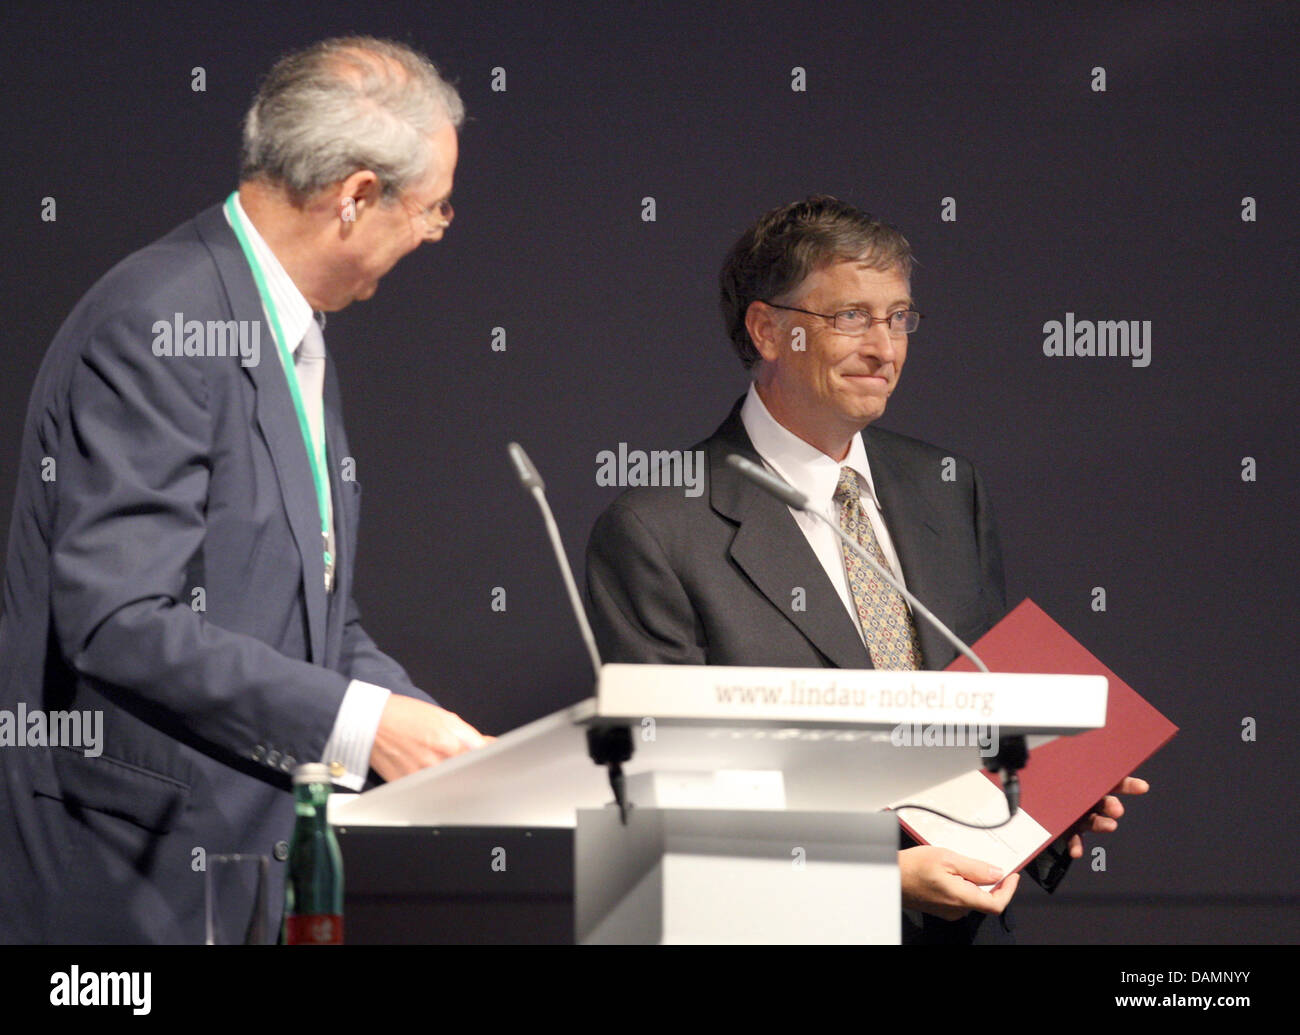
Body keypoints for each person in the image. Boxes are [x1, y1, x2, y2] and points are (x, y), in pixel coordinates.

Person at [0, 37, 490, 944]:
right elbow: (116, 617)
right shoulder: (165, 317)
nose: (434, 231)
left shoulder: (286, 329)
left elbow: (313, 622)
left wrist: (436, 738)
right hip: (129, 890)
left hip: (244, 871)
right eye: (435, 207)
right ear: (356, 195)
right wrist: (362, 723)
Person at [586, 195, 1146, 943]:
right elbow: (667, 807)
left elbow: (977, 711)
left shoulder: (948, 487)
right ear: (767, 329)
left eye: (900, 317)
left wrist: (1048, 798)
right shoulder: (659, 527)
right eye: (851, 317)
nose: (886, 349)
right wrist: (875, 879)